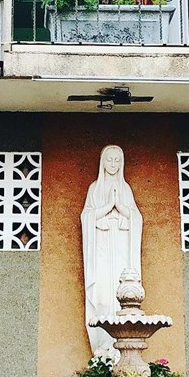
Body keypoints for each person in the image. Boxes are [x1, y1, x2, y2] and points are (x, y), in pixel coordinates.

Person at [80, 144, 143, 357]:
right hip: (102, 251)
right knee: (102, 296)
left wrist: (119, 205)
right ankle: (102, 346)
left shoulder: (125, 190)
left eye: (117, 160)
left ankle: (121, 348)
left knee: (121, 296)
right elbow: (86, 217)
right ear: (102, 162)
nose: (113, 164)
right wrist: (108, 206)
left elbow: (136, 218)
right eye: (109, 159)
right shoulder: (94, 189)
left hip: (121, 251)